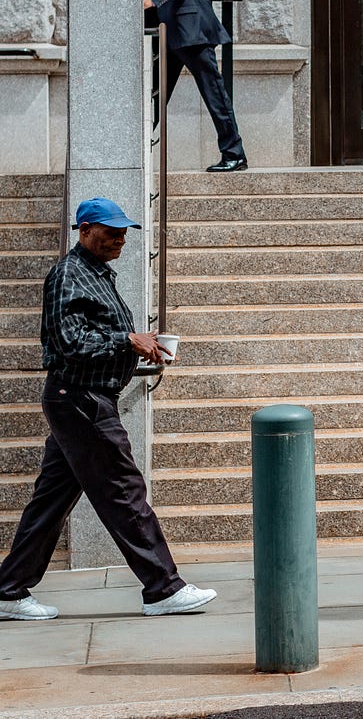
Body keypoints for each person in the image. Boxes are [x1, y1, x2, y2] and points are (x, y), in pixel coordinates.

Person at [0, 198, 217, 621]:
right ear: (83, 229)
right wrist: (126, 341)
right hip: (81, 401)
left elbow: (93, 339)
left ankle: (8, 591)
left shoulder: (96, 273)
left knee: (50, 502)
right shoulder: (69, 274)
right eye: (109, 230)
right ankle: (163, 588)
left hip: (81, 399)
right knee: (123, 491)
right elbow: (68, 345)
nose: (119, 238)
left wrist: (140, 347)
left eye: (123, 231)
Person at [144, 0, 248, 172]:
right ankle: (136, 149)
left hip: (193, 33)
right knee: (152, 93)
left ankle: (234, 154)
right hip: (169, 33)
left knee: (214, 93)